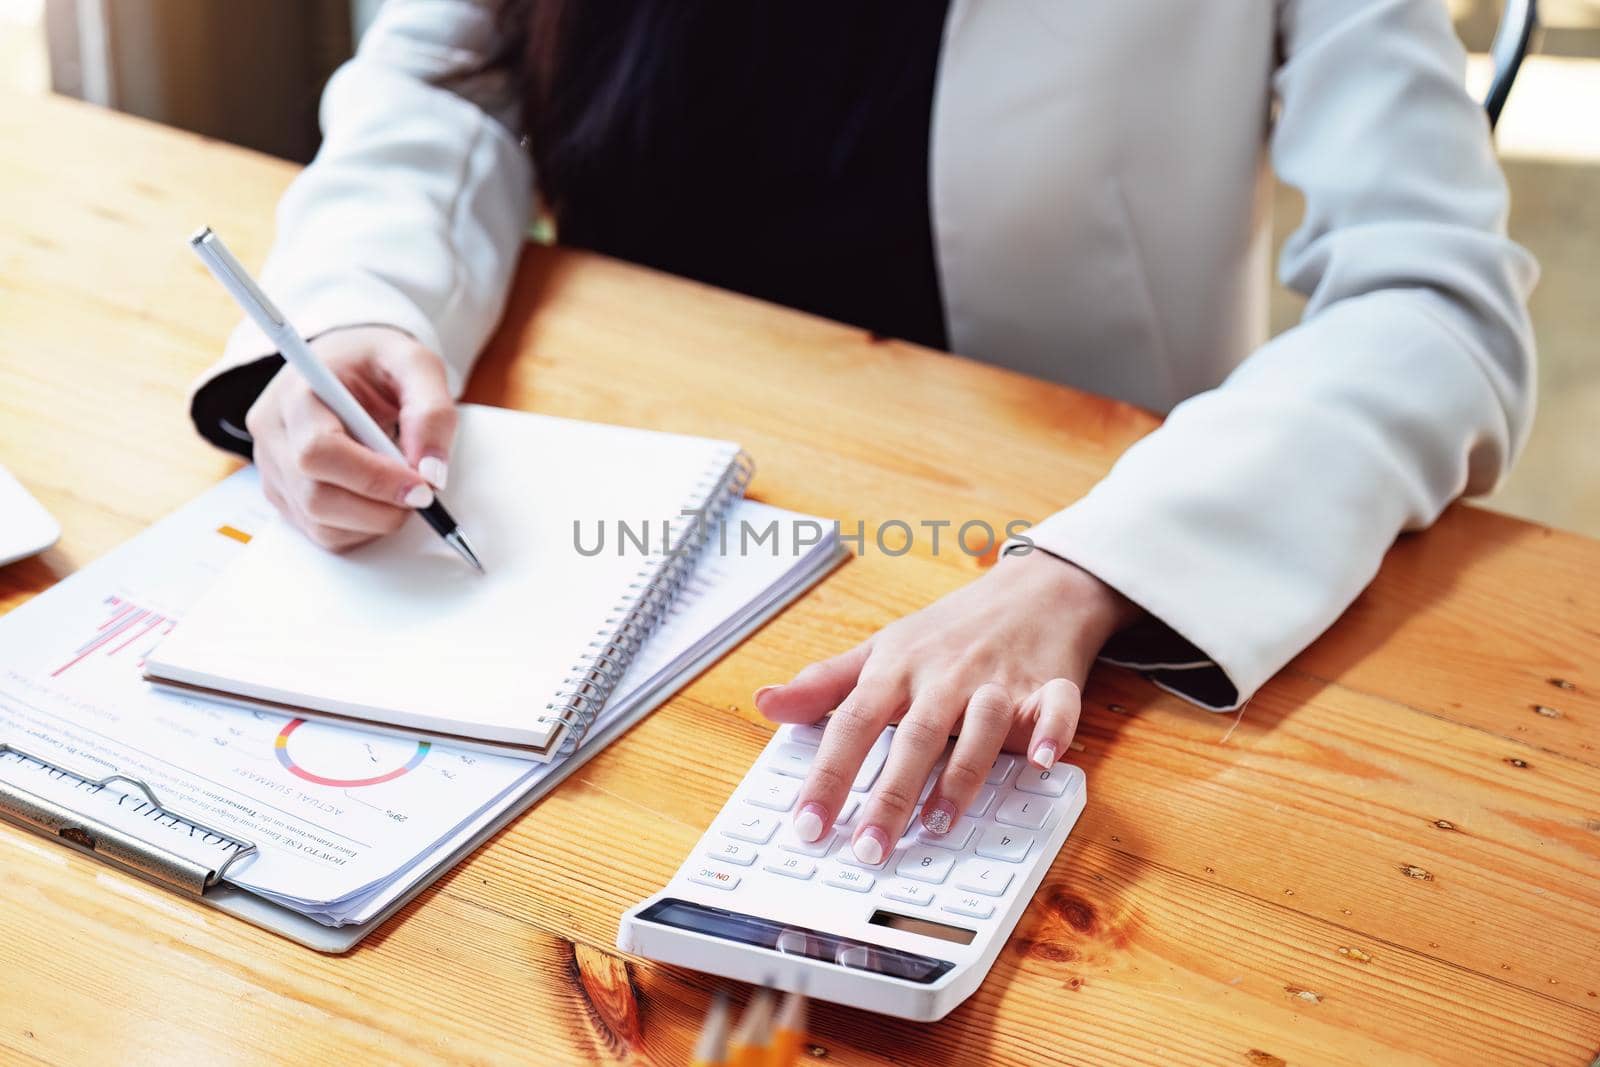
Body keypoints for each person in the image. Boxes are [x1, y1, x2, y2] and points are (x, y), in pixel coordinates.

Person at [189, 0, 1536, 862]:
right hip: (593, 526)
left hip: (1030, 569)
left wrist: (1091, 576)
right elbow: (445, 78)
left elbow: (1436, 301)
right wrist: (358, 304)